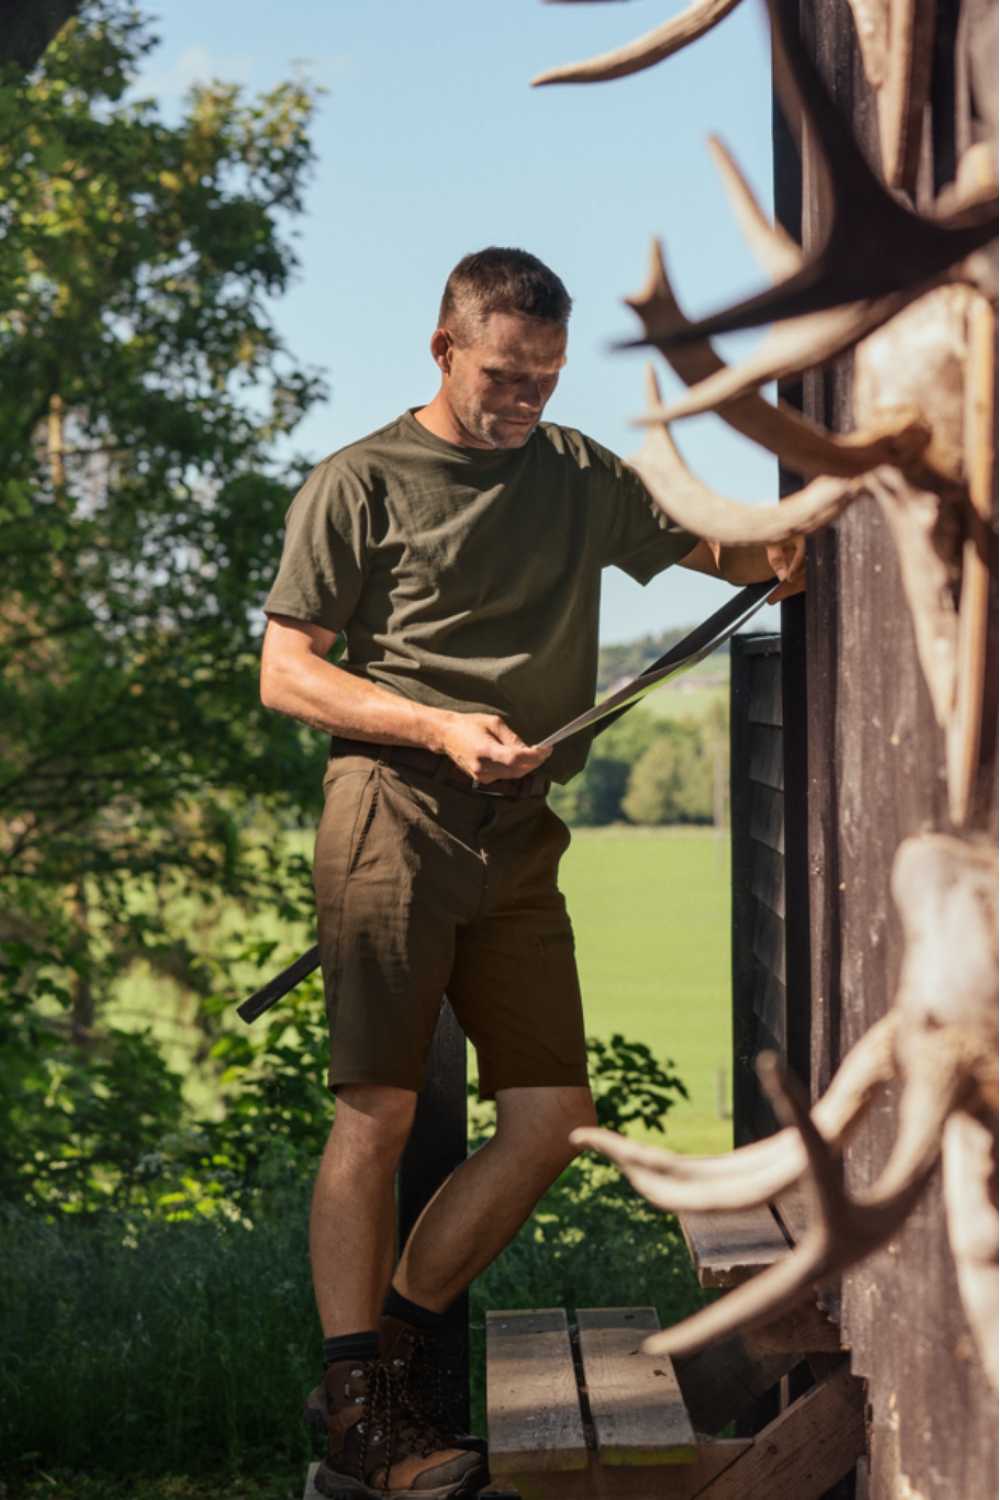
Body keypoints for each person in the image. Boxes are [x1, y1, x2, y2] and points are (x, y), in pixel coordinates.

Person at [260, 247, 804, 1499]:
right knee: (379, 1110)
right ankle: (363, 1412)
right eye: (505, 376)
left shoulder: (572, 476)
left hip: (521, 837)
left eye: (547, 381)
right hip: (390, 817)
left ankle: (370, 1371)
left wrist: (786, 543)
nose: (525, 404)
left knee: (554, 1119)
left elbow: (706, 549)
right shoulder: (357, 484)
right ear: (442, 349)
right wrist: (437, 724)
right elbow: (287, 670)